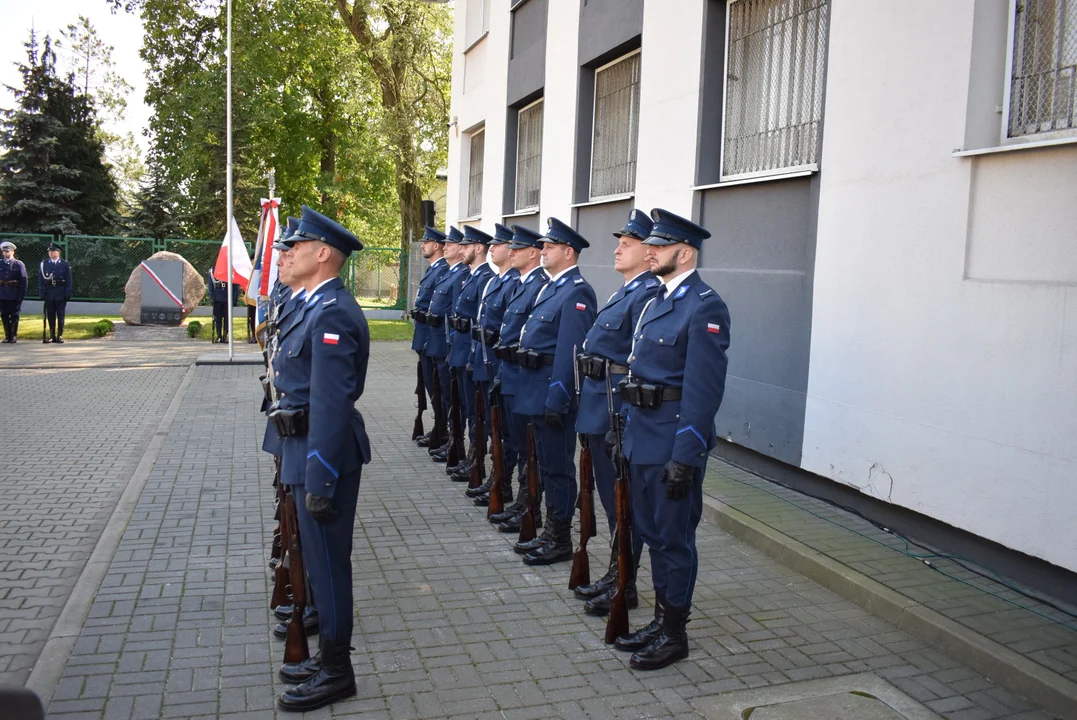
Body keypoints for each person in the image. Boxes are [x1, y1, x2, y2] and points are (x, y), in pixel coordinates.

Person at [614, 208, 731, 671]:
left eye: (659, 247)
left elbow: (703, 394)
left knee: (673, 541)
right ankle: (661, 621)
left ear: (683, 252)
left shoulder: (705, 306)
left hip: (671, 446)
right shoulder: (655, 300)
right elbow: (636, 372)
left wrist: (686, 456)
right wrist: (621, 428)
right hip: (641, 438)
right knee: (651, 534)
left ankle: (675, 633)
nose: (649, 252)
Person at [269, 205, 371, 712]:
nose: (283, 254)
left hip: (321, 454)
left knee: (330, 568)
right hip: (300, 447)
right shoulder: (310, 303)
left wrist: (321, 479)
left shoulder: (332, 312)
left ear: (323, 253)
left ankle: (337, 670)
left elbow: (331, 406)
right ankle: (328, 658)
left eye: (293, 246)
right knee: (317, 563)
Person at [574, 209, 660, 615]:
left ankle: (624, 580)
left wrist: (621, 420)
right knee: (612, 502)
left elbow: (636, 361)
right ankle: (616, 573)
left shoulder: (644, 294)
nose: (617, 249)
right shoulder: (624, 290)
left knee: (621, 502)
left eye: (627, 244)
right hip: (596, 404)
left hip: (614, 409)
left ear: (648, 253)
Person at [511, 218, 597, 566]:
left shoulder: (577, 291)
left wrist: (558, 398)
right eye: (542, 246)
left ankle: (560, 537)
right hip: (535, 389)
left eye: (549, 246)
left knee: (558, 468)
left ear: (568, 251)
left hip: (552, 394)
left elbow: (569, 352)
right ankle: (550, 530)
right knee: (545, 465)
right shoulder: (550, 287)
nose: (542, 250)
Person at [488, 226, 548, 533]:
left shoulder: (538, 285)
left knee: (528, 449)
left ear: (533, 253)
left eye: (517, 248)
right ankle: (523, 504)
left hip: (524, 378)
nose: (510, 252)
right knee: (515, 440)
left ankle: (530, 508)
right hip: (510, 375)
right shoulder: (522, 284)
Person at [466, 224, 520, 506]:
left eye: (498, 244)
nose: (493, 248)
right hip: (485, 363)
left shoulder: (513, 283)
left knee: (504, 429)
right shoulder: (494, 281)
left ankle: (503, 481)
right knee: (490, 423)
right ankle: (496, 477)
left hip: (498, 366)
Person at [445, 225, 495, 481]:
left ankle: (476, 461)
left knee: (477, 412)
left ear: (478, 248)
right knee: (464, 406)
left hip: (473, 353)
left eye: (466, 246)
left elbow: (478, 321)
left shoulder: (485, 278)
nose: (461, 250)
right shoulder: (470, 275)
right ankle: (469, 458)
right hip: (462, 350)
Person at [424, 227, 469, 463]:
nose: (446, 246)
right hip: (436, 342)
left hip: (446, 344)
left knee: (452, 398)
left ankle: (454, 440)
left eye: (451, 244)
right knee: (441, 392)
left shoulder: (461, 274)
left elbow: (454, 315)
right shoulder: (449, 272)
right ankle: (448, 436)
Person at [410, 227, 448, 447]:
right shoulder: (433, 269)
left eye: (426, 242)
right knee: (431, 387)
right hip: (424, 337)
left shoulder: (442, 270)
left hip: (432, 338)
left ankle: (442, 431)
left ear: (437, 246)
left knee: (438, 389)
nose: (422, 245)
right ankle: (439, 428)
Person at [39, 242, 72, 344]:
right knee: (51, 315)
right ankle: (52, 335)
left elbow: (69, 280)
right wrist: (41, 292)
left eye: (53, 251)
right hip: (49, 292)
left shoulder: (64, 264)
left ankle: (60, 335)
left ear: (58, 252)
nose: (51, 253)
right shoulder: (44, 264)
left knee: (60, 315)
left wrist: (67, 293)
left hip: (60, 292)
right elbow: (41, 280)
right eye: (50, 251)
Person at [0, 241, 28, 344]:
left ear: (13, 252)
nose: (6, 253)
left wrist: (21, 295)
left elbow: (24, 280)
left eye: (8, 251)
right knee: (4, 315)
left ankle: (13, 336)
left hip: (14, 294)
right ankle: (7, 336)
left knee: (14, 315)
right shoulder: (0, 263)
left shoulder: (18, 264)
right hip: (2, 294)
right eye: (4, 251)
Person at [207, 268, 240, 343]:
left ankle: (225, 335)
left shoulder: (231, 271)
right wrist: (212, 297)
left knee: (227, 319)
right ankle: (218, 335)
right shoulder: (213, 270)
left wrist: (234, 298)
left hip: (228, 298)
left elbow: (235, 286)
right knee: (217, 319)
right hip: (217, 299)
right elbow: (211, 286)